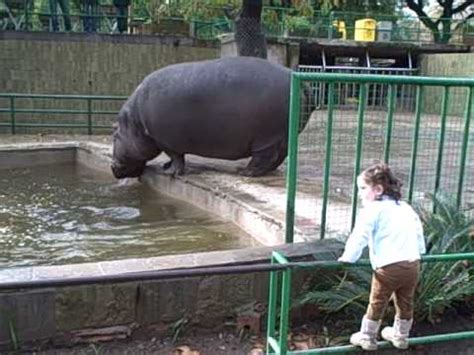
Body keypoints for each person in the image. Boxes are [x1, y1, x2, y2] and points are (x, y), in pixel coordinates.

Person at [338, 162, 426, 351]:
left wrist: (348, 257)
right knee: (405, 300)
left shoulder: (372, 210)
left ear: (378, 189)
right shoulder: (405, 207)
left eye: (363, 188)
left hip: (388, 266)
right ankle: (401, 336)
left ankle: (368, 337)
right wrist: (420, 251)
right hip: (412, 264)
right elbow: (418, 231)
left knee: (377, 300)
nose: (360, 193)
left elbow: (359, 235)